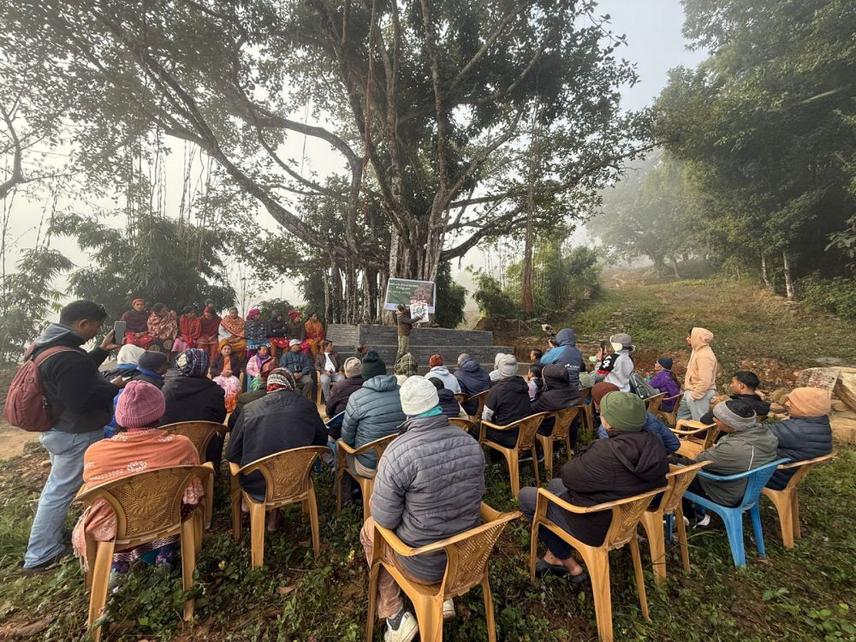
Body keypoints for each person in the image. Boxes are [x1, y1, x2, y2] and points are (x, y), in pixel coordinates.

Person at [361, 376, 485, 641]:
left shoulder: (397, 452)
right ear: (437, 402)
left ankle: (394, 615)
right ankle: (444, 597)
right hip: (468, 556)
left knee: (370, 530)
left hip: (423, 562)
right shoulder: (470, 443)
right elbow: (475, 495)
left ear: (406, 409)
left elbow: (384, 519)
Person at [521, 392, 668, 580]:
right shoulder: (654, 445)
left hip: (594, 524)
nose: (600, 415)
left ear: (611, 423)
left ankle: (568, 563)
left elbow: (568, 476)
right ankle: (552, 556)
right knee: (553, 484)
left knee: (527, 496)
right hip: (625, 518)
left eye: (604, 413)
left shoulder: (605, 451)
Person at [22, 300, 121, 573]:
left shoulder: (49, 345)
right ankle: (40, 553)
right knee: (59, 491)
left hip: (59, 428)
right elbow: (80, 399)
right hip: (75, 432)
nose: (96, 332)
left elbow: (75, 376)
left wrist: (100, 351)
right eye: (96, 327)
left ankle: (53, 539)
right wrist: (114, 387)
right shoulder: (67, 355)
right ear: (82, 324)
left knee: (60, 488)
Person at [71, 381, 202, 573]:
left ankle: (118, 562)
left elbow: (92, 490)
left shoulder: (96, 453)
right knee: (182, 500)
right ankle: (164, 550)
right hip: (167, 515)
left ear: (120, 415)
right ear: (160, 410)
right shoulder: (182, 445)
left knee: (112, 506)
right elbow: (194, 485)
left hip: (117, 525)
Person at [227, 369, 327, 507]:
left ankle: (260, 511)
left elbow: (232, 453)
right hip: (298, 478)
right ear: (291, 384)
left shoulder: (250, 410)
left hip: (257, 484)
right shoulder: (307, 405)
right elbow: (322, 439)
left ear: (268, 385)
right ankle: (276, 515)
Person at [682, 399, 778, 524]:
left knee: (673, 470)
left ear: (731, 424)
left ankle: (693, 516)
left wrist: (715, 449)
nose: (714, 420)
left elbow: (700, 460)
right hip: (746, 486)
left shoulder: (735, 449)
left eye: (718, 418)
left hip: (725, 491)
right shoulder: (765, 434)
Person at [341, 352, 405, 477]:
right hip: (400, 462)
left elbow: (347, 438)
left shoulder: (356, 398)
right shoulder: (403, 392)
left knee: (341, 447)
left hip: (371, 466)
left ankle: (345, 493)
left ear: (364, 374)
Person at [766, 387, 833, 491]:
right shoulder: (820, 423)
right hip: (787, 475)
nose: (787, 404)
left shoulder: (796, 429)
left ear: (806, 406)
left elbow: (756, 434)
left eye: (793, 401)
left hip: (771, 476)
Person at [593, 383, 680, 454]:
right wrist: (657, 458)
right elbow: (673, 444)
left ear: (598, 404)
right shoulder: (647, 416)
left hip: (633, 473)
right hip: (658, 466)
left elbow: (613, 460)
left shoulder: (605, 429)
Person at [161, 348, 227, 427]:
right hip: (205, 437)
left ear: (181, 367)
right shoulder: (216, 391)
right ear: (205, 367)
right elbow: (220, 419)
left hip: (173, 436)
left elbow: (163, 418)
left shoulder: (169, 388)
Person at [482, 354, 531, 447]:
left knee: (475, 427)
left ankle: (494, 456)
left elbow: (486, 416)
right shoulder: (524, 385)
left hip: (504, 435)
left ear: (499, 370)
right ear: (516, 368)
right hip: (524, 432)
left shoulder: (496, 390)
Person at [532, 364, 582, 444]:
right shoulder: (575, 390)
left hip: (549, 430)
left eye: (544, 377)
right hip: (569, 426)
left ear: (549, 379)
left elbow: (533, 409)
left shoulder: (548, 397)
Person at [677, 327, 718, 421]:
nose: (687, 339)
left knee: (699, 423)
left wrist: (695, 395)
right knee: (681, 420)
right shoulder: (697, 351)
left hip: (699, 395)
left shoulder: (704, 356)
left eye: (689, 336)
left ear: (696, 338)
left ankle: (698, 436)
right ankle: (680, 435)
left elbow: (705, 380)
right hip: (691, 392)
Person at [700, 370, 770, 425]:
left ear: (741, 386)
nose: (731, 385)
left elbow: (705, 419)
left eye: (733, 383)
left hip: (726, 438)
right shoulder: (764, 406)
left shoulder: (734, 405)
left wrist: (719, 405)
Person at [211, 344, 242, 413]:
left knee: (233, 385)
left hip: (231, 376)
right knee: (216, 384)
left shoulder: (235, 358)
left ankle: (231, 406)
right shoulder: (217, 358)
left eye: (228, 349)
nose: (227, 350)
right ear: (221, 351)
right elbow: (212, 369)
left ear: (231, 351)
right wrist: (221, 373)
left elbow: (238, 368)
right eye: (225, 349)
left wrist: (231, 372)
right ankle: (219, 405)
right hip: (220, 376)